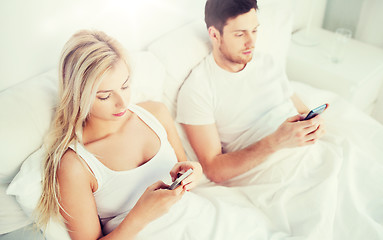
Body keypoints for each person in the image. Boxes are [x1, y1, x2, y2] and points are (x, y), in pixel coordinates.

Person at [35, 29, 288, 240]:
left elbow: (190, 169)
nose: (122, 102)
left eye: (125, 85)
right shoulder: (75, 165)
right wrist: (141, 214)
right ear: (78, 95)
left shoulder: (154, 113)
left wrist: (194, 173)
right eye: (104, 95)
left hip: (204, 222)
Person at [177, 0, 383, 239]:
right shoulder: (198, 90)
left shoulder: (266, 62)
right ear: (214, 34)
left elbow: (297, 105)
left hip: (314, 153)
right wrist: (276, 142)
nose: (251, 42)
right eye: (240, 34)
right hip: (276, 174)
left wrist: (312, 123)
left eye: (255, 30)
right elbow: (213, 169)